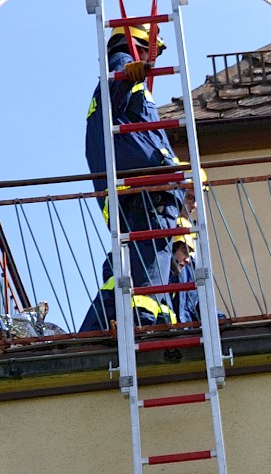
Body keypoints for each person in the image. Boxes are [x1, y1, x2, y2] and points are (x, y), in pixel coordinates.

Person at [79, 23, 184, 332]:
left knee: (124, 271)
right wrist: (128, 76)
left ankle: (95, 328)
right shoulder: (122, 66)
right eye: (153, 53)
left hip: (130, 195)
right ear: (138, 44)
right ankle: (147, 322)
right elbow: (118, 90)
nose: (154, 62)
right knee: (150, 269)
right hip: (149, 192)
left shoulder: (107, 90)